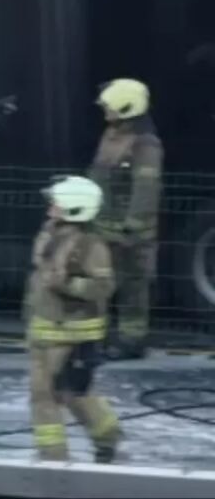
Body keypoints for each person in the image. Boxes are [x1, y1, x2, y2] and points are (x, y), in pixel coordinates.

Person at [25, 175, 121, 463]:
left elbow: (104, 288)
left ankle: (53, 460)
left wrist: (67, 285)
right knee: (66, 395)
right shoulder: (51, 233)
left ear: (75, 208)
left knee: (53, 397)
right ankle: (106, 437)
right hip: (46, 331)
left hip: (69, 336)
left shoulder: (91, 246)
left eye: (56, 202)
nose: (50, 206)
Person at [87, 78, 163, 361]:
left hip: (130, 235)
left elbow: (146, 190)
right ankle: (99, 339)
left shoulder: (146, 145)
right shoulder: (112, 134)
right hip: (104, 228)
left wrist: (133, 229)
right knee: (101, 286)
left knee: (132, 289)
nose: (105, 111)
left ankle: (132, 341)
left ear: (126, 108)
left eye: (110, 107)